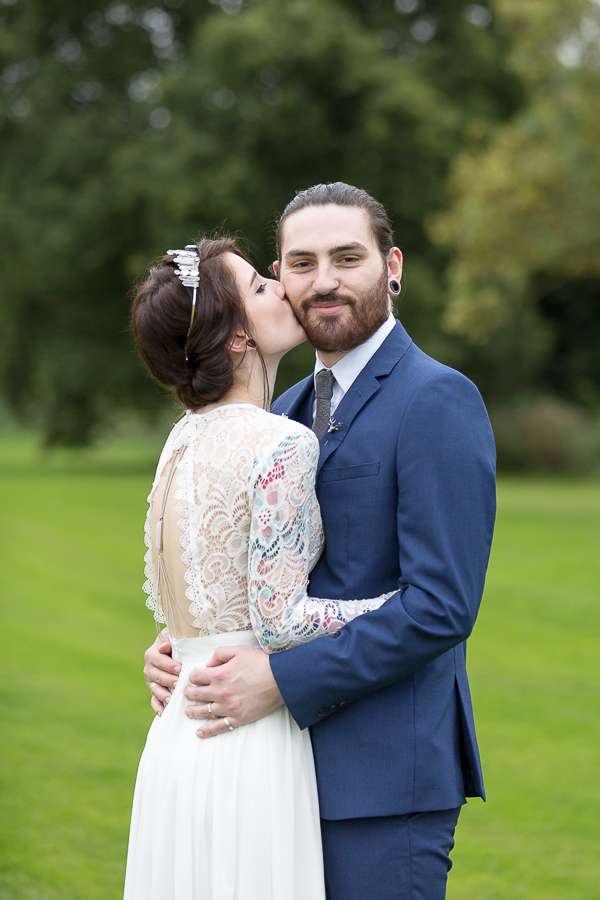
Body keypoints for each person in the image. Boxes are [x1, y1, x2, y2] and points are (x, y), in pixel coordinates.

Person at [144, 183, 497, 899]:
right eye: (302, 264)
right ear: (281, 277)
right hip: (270, 772)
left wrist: (281, 680)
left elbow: (441, 607)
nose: (324, 280)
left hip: (384, 781)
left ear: (391, 267)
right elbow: (249, 567)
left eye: (347, 257)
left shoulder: (437, 399)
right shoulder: (281, 412)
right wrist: (185, 646)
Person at [123, 234, 397, 899]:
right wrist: (391, 603)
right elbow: (278, 622)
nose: (281, 285)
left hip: (178, 733)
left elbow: (198, 592)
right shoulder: (281, 442)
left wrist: (171, 647)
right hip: (246, 732)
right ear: (238, 338)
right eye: (259, 286)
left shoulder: (181, 438)